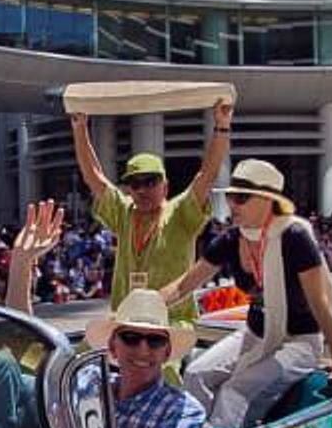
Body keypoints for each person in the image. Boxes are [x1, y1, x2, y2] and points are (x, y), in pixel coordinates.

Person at [162, 159, 332, 428]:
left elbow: (320, 303)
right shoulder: (231, 240)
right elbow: (183, 286)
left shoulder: (294, 237)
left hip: (299, 342)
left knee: (234, 392)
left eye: (241, 198)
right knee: (196, 373)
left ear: (268, 200)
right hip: (255, 334)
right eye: (230, 197)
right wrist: (141, 307)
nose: (232, 205)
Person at [71, 94, 233, 320]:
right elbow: (93, 176)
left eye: (150, 182)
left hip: (173, 322)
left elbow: (207, 174)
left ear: (165, 186)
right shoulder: (123, 212)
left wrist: (222, 127)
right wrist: (80, 129)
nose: (142, 189)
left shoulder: (181, 211)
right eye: (135, 183)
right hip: (125, 322)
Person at [85, 290, 206, 428]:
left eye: (155, 340)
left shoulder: (182, 409)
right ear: (113, 346)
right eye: (131, 338)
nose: (143, 350)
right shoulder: (89, 382)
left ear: (167, 352)